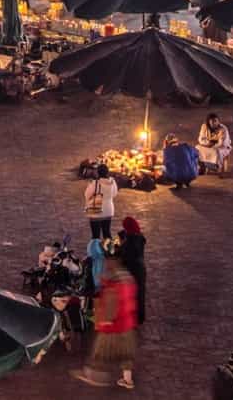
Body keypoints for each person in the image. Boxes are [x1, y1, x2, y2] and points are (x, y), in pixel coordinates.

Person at [72, 257, 139, 389]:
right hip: (128, 325)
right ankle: (127, 380)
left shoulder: (113, 286)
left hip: (113, 326)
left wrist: (102, 322)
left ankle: (93, 376)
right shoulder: (129, 281)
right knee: (127, 354)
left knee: (100, 352)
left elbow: (110, 308)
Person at [116, 216, 148, 321]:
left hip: (133, 270)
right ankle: (140, 317)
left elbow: (125, 256)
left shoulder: (130, 241)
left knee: (132, 294)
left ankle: (134, 317)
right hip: (141, 269)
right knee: (140, 294)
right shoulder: (139, 236)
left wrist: (119, 248)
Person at [86, 164, 119, 241]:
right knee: (107, 233)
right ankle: (109, 251)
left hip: (96, 209)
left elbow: (87, 195)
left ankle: (96, 252)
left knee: (95, 236)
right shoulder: (112, 182)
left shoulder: (95, 183)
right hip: (108, 209)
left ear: (98, 173)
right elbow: (114, 194)